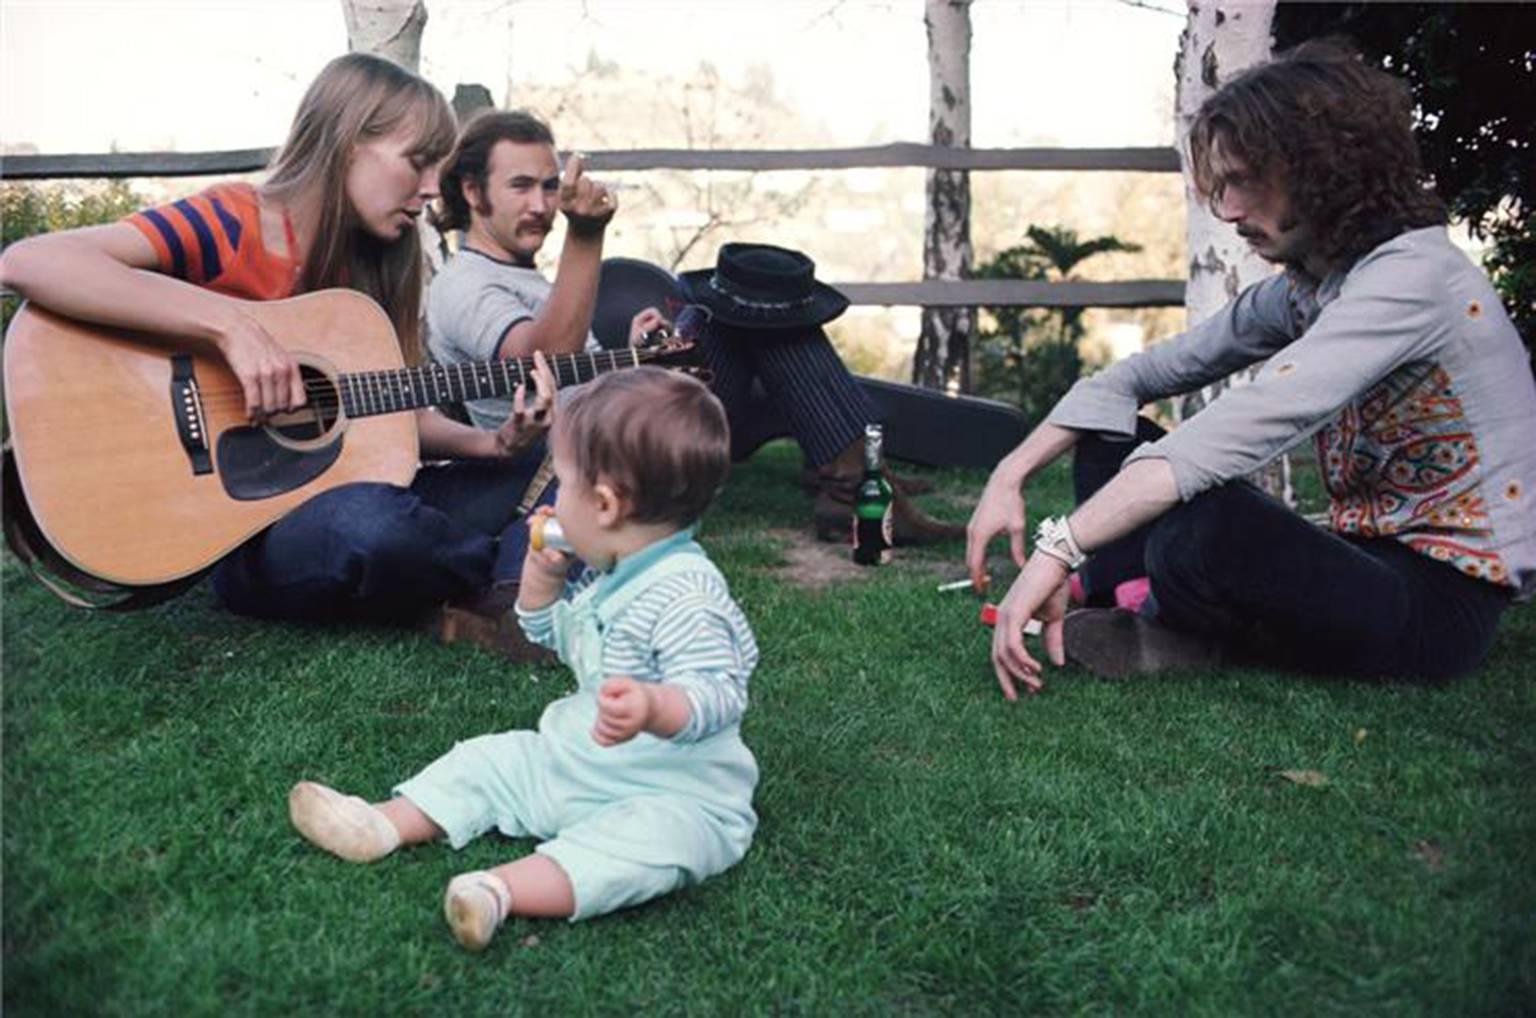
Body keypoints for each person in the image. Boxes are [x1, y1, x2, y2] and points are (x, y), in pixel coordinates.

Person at [966, 40, 1536, 700]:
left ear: (1324, 170)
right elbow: (1129, 380)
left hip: (1441, 604)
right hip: (1360, 553)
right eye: (1223, 184)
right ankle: (1129, 601)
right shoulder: (1310, 285)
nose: (1231, 210)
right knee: (1114, 433)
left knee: (1207, 521)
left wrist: (1057, 546)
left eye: (1246, 181)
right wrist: (1011, 473)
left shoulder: (1413, 279)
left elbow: (1232, 431)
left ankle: (1162, 616)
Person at [0, 53, 558, 627]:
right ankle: (520, 577)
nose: (427, 193)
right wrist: (231, 328)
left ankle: (505, 576)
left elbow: (387, 414)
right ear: (348, 143)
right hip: (253, 537)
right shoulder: (233, 221)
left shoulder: (383, 264)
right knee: (371, 527)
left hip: (357, 493)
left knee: (559, 450)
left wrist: (494, 445)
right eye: (415, 164)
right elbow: (30, 261)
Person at [287, 367, 759, 948]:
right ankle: (381, 823)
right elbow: (552, 636)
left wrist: (656, 706)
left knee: (653, 844)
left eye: (562, 484)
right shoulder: (614, 572)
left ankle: (496, 890)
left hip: (676, 793)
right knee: (490, 761)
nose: (554, 500)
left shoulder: (687, 592)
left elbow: (720, 690)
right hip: (578, 762)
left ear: (606, 505)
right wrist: (541, 579)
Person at [427, 109, 962, 548]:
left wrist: (631, 354)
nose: (542, 206)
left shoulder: (516, 272)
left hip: (614, 427)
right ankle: (855, 481)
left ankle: (854, 475)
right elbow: (537, 361)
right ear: (473, 193)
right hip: (580, 465)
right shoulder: (464, 283)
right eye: (521, 187)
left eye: (549, 186)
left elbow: (573, 372)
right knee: (747, 311)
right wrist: (586, 234)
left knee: (751, 310)